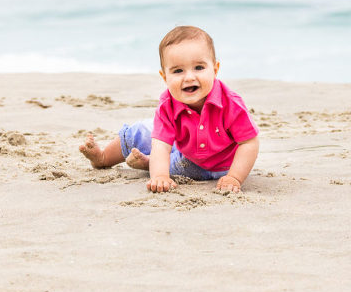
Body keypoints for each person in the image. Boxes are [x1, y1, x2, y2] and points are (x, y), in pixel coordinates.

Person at [79, 25, 259, 193]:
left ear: (215, 69)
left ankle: (147, 164)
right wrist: (160, 177)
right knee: (139, 132)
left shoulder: (230, 103)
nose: (189, 77)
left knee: (179, 167)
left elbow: (249, 143)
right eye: (178, 71)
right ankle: (103, 158)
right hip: (184, 146)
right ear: (164, 77)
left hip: (213, 165)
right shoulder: (168, 103)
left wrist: (234, 177)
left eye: (199, 67)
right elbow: (161, 145)